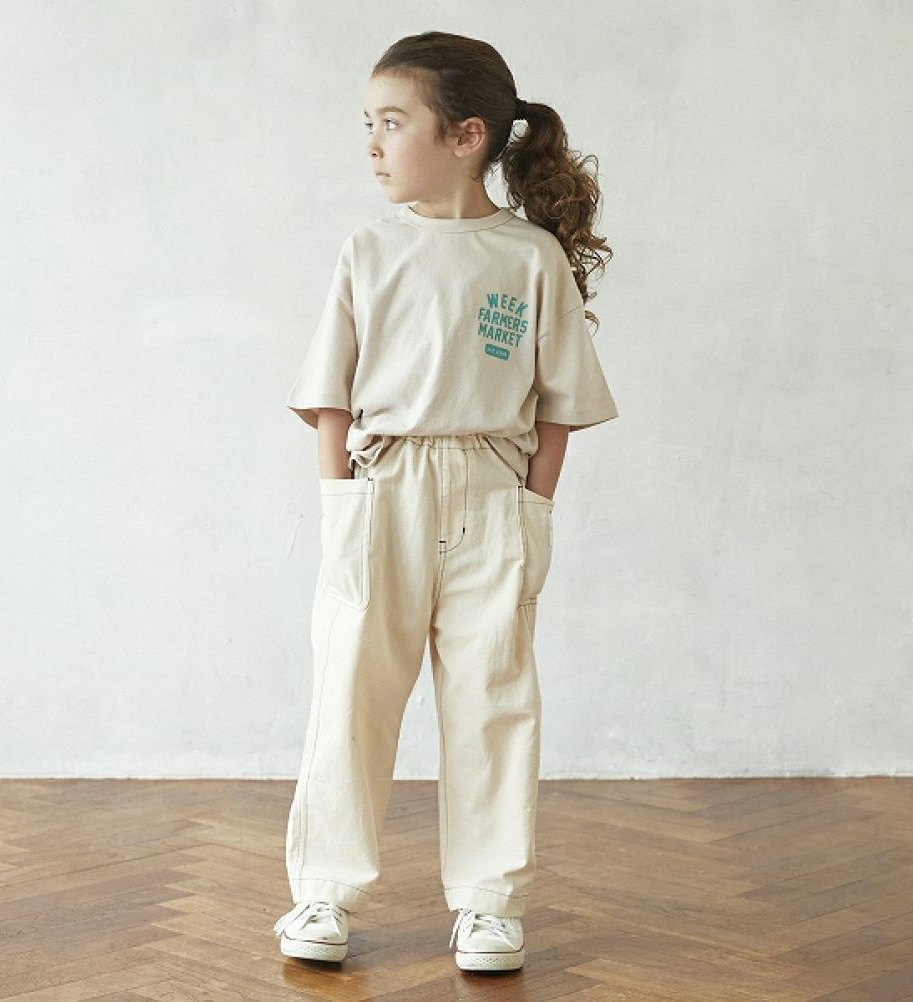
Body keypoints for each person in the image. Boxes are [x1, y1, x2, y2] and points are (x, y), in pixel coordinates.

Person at [273, 30, 618, 973]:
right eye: (369, 124)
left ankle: (489, 902)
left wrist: (533, 511)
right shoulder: (370, 250)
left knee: (493, 697)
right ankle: (324, 891)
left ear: (466, 136)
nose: (373, 144)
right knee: (352, 691)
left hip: (492, 496)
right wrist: (342, 502)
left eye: (392, 122)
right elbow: (330, 395)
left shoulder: (529, 258)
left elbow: (560, 405)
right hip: (382, 492)